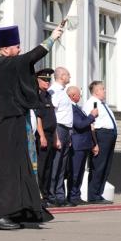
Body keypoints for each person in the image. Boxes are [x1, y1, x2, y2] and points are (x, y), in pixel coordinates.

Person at [0, 24, 63, 230]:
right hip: (4, 126)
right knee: (6, 170)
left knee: (20, 168)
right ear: (6, 48)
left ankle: (20, 210)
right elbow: (29, 59)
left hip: (13, 122)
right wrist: (52, 38)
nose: (19, 50)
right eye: (16, 46)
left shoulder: (1, 64)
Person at [85, 80, 117, 204]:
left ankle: (98, 193)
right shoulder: (92, 103)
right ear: (97, 91)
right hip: (100, 136)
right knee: (98, 166)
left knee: (106, 166)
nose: (105, 91)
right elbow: (91, 124)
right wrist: (94, 143)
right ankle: (93, 195)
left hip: (109, 136)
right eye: (103, 89)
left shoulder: (103, 103)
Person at [68, 86, 98, 206]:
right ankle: (71, 196)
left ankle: (76, 195)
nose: (80, 96)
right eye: (79, 94)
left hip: (84, 144)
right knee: (74, 172)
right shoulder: (71, 108)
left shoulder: (77, 108)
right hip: (77, 144)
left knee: (80, 173)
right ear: (73, 95)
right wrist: (91, 116)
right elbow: (79, 125)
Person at [33, 69, 58, 207]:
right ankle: (41, 196)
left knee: (48, 167)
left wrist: (55, 137)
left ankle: (47, 195)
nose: (47, 82)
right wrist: (42, 136)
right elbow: (38, 117)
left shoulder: (48, 95)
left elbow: (52, 119)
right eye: (44, 80)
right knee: (41, 167)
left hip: (50, 134)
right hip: (42, 135)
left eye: (49, 80)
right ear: (37, 80)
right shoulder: (37, 95)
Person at [48, 67, 73, 207]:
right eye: (68, 74)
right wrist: (56, 136)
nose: (70, 76)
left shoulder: (63, 92)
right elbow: (53, 115)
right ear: (62, 76)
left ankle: (59, 195)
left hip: (66, 130)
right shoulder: (55, 91)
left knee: (62, 166)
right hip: (58, 129)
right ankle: (51, 195)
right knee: (55, 163)